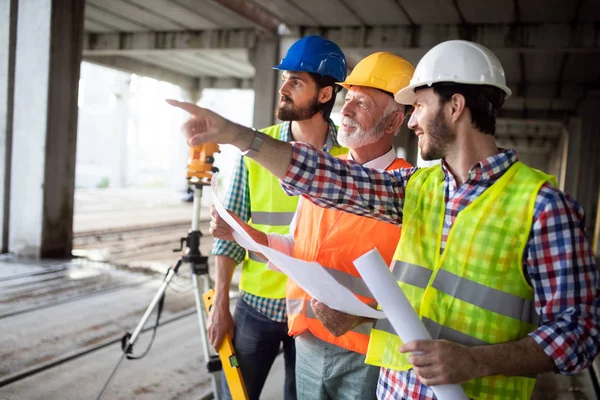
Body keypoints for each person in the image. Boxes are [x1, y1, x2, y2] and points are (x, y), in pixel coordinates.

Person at [168, 39, 600, 400]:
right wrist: (238, 136)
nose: (411, 120)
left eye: (419, 106)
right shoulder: (419, 189)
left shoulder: (543, 207)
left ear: (455, 106)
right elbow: (328, 176)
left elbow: (580, 334)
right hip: (395, 387)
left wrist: (476, 362)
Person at [209, 52, 415, 400]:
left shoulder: (409, 188)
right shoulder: (326, 170)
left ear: (394, 122)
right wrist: (249, 236)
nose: (345, 111)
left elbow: (416, 289)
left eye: (361, 103)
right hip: (307, 340)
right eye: (347, 99)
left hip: (366, 352)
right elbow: (297, 244)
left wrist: (364, 319)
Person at [207, 35, 348, 400]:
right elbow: (228, 232)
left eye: (296, 81)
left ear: (324, 94)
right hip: (257, 307)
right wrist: (221, 301)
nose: (283, 88)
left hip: (313, 316)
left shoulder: (348, 163)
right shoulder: (256, 149)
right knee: (235, 397)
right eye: (285, 78)